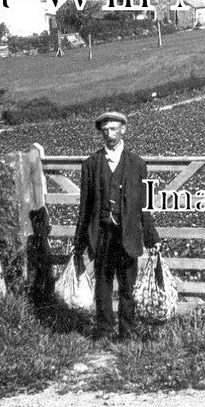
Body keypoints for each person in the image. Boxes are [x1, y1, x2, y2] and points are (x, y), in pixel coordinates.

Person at [73, 110, 159, 341]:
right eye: (105, 130)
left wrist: (152, 237)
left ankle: (128, 331)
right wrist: (79, 241)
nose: (109, 134)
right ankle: (103, 331)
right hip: (101, 234)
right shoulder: (91, 164)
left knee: (127, 285)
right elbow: (85, 205)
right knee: (102, 283)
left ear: (124, 130)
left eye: (114, 129)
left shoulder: (137, 164)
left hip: (128, 234)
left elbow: (144, 204)